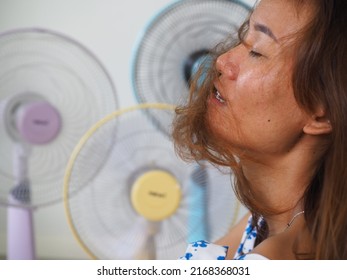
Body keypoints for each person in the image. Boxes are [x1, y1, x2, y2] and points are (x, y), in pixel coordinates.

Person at [172, 0, 347, 260]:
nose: (221, 61)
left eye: (257, 51)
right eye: (243, 39)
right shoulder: (264, 223)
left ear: (321, 113)